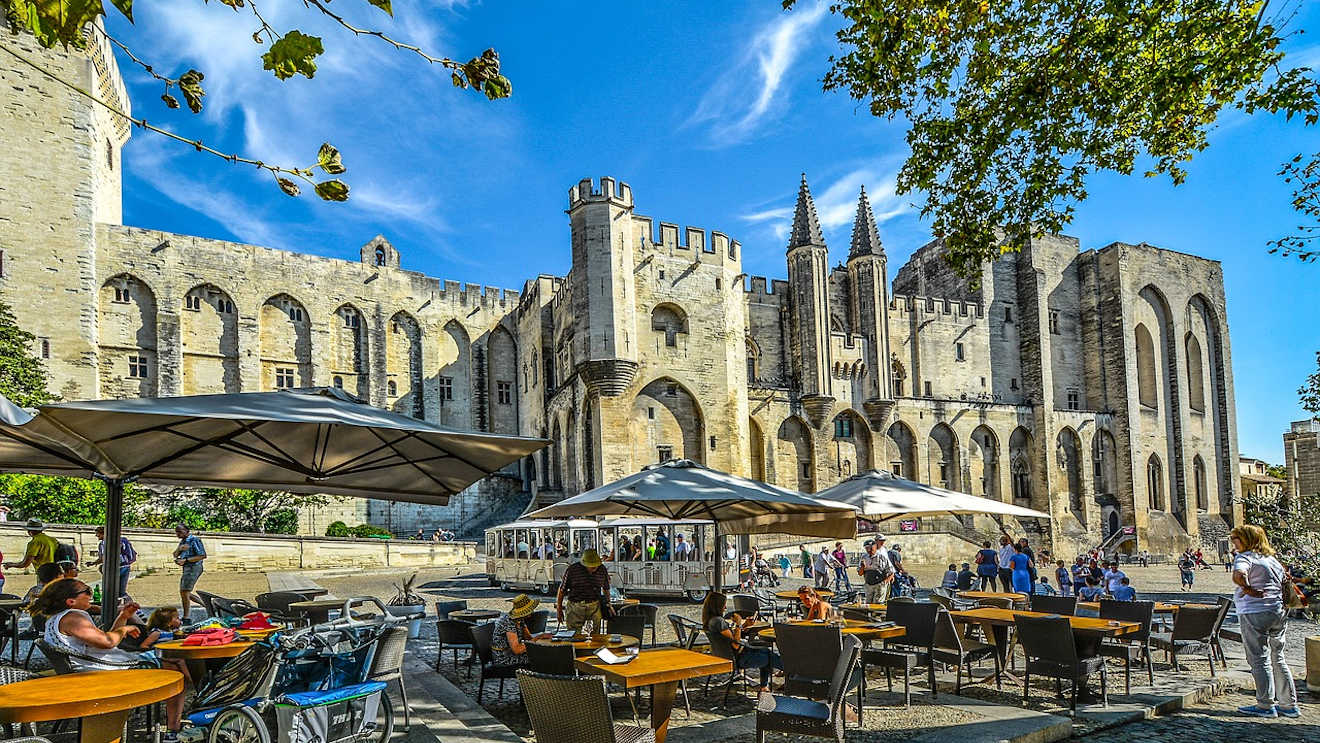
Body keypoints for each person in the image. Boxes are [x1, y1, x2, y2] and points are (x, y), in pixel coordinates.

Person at [33, 578, 188, 735]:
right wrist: (124, 629)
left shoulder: (56, 619)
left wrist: (123, 617)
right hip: (100, 672)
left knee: (172, 660)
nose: (90, 595)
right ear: (71, 601)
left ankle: (185, 708)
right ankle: (174, 728)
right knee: (173, 665)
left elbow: (104, 640)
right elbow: (107, 642)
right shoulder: (73, 618)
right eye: (87, 591)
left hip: (90, 667)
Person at [1230, 525, 1299, 718]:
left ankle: (1265, 704)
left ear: (1245, 539)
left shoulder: (1245, 557)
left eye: (1235, 537)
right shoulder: (1271, 559)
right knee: (1278, 657)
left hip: (1255, 611)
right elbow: (1286, 580)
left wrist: (1249, 589)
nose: (1232, 541)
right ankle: (1288, 704)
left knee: (1258, 659)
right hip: (1277, 611)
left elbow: (1239, 575)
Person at [703, 591, 783, 691]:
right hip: (738, 659)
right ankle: (791, 670)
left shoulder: (710, 620)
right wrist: (738, 623)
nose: (725, 608)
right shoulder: (719, 622)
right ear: (717, 606)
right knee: (768, 656)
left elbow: (730, 637)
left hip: (727, 655)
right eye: (724, 605)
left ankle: (764, 687)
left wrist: (744, 626)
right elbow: (735, 644)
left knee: (765, 651)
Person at [556, 548, 610, 633]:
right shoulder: (572, 570)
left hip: (594, 606)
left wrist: (608, 604)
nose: (594, 568)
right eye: (591, 566)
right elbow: (562, 590)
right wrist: (559, 609)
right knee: (574, 635)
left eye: (595, 565)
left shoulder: (602, 569)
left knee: (595, 637)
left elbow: (606, 588)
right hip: (575, 607)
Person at [492, 594, 550, 667]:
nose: (532, 611)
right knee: (539, 658)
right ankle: (537, 677)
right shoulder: (508, 623)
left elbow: (528, 638)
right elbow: (517, 649)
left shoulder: (520, 620)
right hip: (504, 658)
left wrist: (541, 637)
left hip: (511, 653)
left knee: (543, 653)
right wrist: (537, 638)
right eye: (530, 609)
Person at [87, 526, 137, 598]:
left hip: (113, 569)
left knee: (110, 591)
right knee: (121, 592)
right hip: (126, 566)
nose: (96, 536)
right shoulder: (121, 540)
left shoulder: (103, 544)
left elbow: (103, 558)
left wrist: (94, 563)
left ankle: (113, 606)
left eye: (97, 534)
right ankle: (129, 605)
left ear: (103, 534)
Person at [172, 523, 206, 621]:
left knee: (185, 591)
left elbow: (202, 555)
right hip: (187, 568)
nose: (177, 534)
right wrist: (179, 549)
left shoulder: (194, 540)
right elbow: (175, 554)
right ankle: (206, 605)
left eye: (179, 531)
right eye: (176, 532)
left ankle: (186, 616)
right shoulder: (183, 542)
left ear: (187, 531)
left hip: (194, 567)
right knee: (184, 592)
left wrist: (186, 560)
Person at [858, 539, 893, 604]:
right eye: (867, 548)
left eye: (871, 548)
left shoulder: (882, 557)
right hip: (869, 585)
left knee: (878, 604)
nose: (869, 550)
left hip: (879, 584)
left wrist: (885, 582)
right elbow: (860, 573)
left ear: (875, 547)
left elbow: (891, 572)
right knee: (868, 603)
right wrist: (863, 567)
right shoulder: (864, 557)